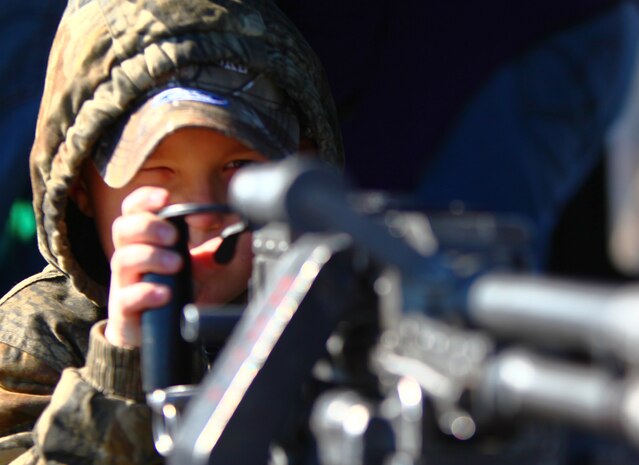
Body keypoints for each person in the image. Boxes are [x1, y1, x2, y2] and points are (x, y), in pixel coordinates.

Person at [0, 0, 343, 463]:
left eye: (238, 166)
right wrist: (120, 368)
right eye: (156, 169)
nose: (202, 212)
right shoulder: (40, 335)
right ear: (80, 187)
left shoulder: (340, 316)